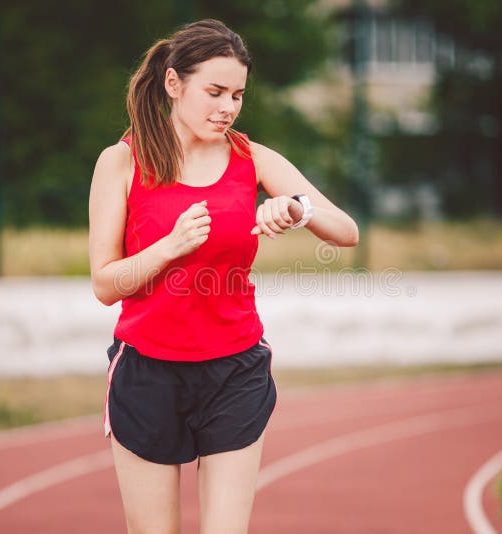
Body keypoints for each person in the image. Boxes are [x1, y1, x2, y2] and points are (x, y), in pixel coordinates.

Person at [88, 19, 358, 534]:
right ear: (173, 83)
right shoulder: (121, 162)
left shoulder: (251, 157)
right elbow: (105, 284)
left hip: (234, 370)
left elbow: (346, 231)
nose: (228, 107)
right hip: (148, 373)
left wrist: (296, 210)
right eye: (214, 92)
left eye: (237, 94)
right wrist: (169, 247)